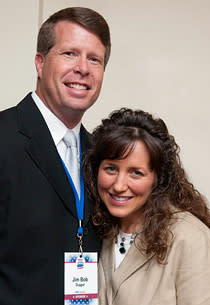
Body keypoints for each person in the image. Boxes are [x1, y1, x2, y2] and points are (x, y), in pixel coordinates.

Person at [0, 7, 111, 305]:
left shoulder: (103, 156)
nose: (83, 68)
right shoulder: (3, 138)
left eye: (94, 59)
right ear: (40, 62)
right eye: (70, 54)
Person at [84, 108, 210, 305]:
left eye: (136, 173)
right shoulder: (100, 227)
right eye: (111, 168)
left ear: (157, 178)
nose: (118, 185)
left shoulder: (190, 239)